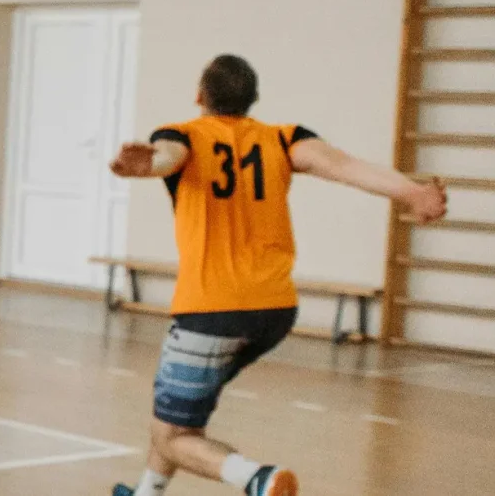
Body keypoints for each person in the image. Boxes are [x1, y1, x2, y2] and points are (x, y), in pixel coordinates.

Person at [106, 55, 447, 496]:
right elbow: (343, 166)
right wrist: (411, 192)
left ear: (199, 95)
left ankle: (259, 480)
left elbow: (168, 157)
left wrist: (147, 164)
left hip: (212, 313)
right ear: (253, 100)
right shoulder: (283, 139)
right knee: (176, 417)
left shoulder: (182, 134)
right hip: (275, 310)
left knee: (171, 436)